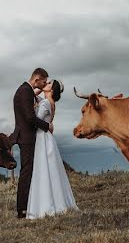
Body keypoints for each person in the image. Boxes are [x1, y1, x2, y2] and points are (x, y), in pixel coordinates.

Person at [27, 79, 79, 219]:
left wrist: (32, 106)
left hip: (42, 138)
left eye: (48, 83)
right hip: (47, 137)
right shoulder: (51, 103)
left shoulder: (45, 103)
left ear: (52, 90)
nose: (45, 84)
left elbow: (35, 120)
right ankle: (57, 201)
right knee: (51, 170)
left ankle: (45, 204)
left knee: (43, 169)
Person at [11, 68, 52, 218]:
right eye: (43, 81)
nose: (45, 83)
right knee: (26, 173)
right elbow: (29, 117)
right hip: (27, 138)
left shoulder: (25, 90)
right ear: (36, 79)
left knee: (28, 172)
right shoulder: (25, 91)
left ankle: (26, 206)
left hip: (25, 137)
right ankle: (22, 210)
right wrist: (47, 126)